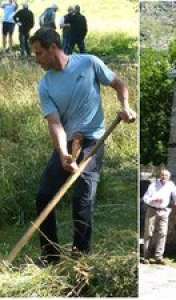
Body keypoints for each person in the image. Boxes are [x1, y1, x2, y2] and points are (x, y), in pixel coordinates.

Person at [30, 28, 136, 265]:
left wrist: (126, 107)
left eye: (39, 53)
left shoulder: (89, 63)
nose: (36, 59)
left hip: (93, 142)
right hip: (67, 143)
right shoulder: (45, 85)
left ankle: (80, 257)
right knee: (44, 196)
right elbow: (55, 124)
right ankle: (51, 256)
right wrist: (64, 153)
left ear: (53, 48)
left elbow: (119, 84)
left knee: (83, 200)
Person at [142, 169, 176, 265]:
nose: (164, 177)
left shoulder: (171, 185)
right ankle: (146, 256)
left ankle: (158, 257)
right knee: (149, 233)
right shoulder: (153, 185)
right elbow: (145, 197)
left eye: (166, 176)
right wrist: (152, 200)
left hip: (164, 211)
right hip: (152, 210)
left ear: (169, 177)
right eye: (162, 175)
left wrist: (174, 202)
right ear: (160, 176)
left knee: (163, 233)